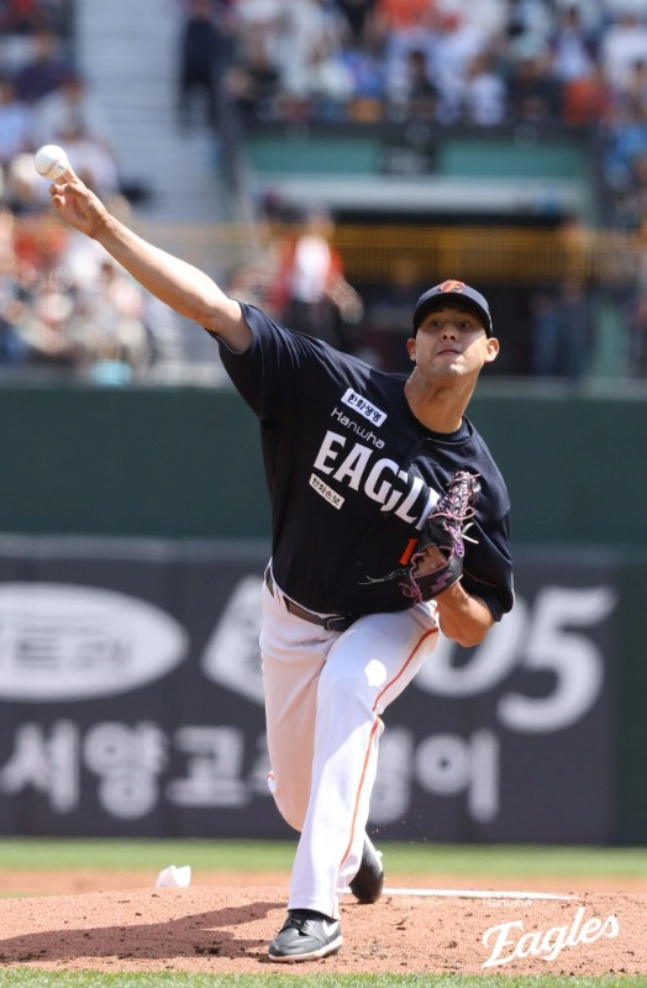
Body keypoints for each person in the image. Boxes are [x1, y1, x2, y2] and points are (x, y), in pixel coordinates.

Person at [47, 165, 514, 963]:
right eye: (434, 322)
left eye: (463, 326)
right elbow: (212, 309)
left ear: (488, 350)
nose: (447, 333)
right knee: (299, 801)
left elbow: (474, 626)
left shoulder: (476, 484)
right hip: (290, 611)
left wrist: (443, 587)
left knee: (350, 686)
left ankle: (314, 909)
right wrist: (104, 231)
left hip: (390, 617)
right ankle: (349, 846)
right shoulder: (328, 385)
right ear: (409, 344)